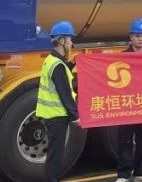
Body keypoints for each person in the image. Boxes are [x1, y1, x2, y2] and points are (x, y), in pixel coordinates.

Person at [114, 18, 142, 182]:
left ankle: (141, 172)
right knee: (125, 140)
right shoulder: (122, 57)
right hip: (128, 104)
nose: (140, 39)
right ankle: (123, 174)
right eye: (137, 36)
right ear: (131, 37)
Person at [37, 20, 78, 182]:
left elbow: (59, 78)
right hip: (57, 115)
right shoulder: (57, 65)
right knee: (55, 153)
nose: (71, 42)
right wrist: (75, 115)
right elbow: (64, 93)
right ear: (61, 40)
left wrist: (71, 64)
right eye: (69, 39)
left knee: (54, 152)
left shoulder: (52, 60)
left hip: (51, 114)